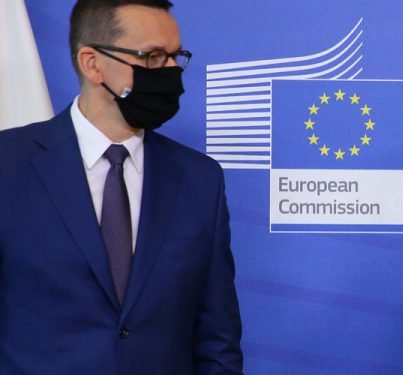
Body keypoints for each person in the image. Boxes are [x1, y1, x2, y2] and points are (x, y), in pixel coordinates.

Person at [0, 0, 243, 373]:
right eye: (153, 57)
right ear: (92, 63)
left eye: (177, 57)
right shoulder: (8, 164)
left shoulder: (200, 179)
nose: (171, 72)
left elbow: (217, 340)